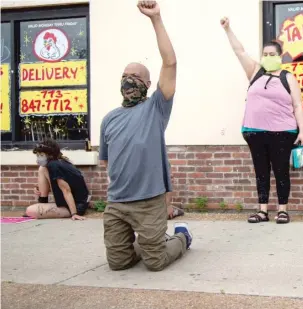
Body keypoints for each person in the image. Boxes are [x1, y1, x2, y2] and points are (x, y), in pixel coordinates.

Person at [99, 0, 192, 272]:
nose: (129, 80)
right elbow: (106, 161)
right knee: (118, 263)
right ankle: (150, 242)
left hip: (149, 200)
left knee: (156, 262)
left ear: (148, 84)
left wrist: (155, 19)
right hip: (117, 202)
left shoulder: (155, 108)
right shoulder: (109, 119)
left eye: (136, 77)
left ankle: (181, 237)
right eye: (125, 75)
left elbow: (170, 62)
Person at [221, 16, 303, 224]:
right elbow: (239, 51)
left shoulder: (288, 78)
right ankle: (262, 210)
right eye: (265, 54)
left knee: (280, 171)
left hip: (283, 132)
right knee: (261, 171)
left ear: (280, 56)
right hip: (254, 131)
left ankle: (283, 210)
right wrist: (228, 29)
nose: (267, 57)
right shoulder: (255, 72)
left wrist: (302, 132)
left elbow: (297, 106)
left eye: (271, 54)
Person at [25, 138, 90, 220]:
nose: (39, 158)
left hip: (76, 206)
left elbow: (66, 190)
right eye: (38, 155)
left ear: (50, 155)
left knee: (30, 211)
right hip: (72, 202)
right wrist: (38, 187)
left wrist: (74, 214)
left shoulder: (54, 165)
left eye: (41, 155)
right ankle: (43, 202)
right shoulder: (58, 162)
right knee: (42, 168)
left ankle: (43, 205)